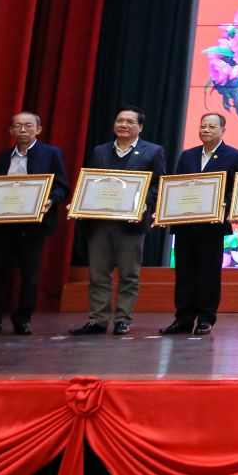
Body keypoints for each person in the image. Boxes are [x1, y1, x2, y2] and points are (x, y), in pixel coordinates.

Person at [0, 112, 70, 338]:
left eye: (28, 125)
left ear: (38, 130)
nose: (23, 130)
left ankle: (23, 320)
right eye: (18, 126)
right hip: (2, 226)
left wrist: (51, 200)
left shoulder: (51, 153)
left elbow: (62, 186)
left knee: (29, 276)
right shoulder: (3, 156)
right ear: (11, 131)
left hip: (33, 226)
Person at [69, 106, 166, 337]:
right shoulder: (100, 151)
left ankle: (123, 319)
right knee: (98, 274)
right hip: (100, 222)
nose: (123, 125)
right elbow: (91, 181)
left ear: (140, 127)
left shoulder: (153, 151)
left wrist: (145, 202)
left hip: (131, 223)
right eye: (120, 120)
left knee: (129, 275)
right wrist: (79, 201)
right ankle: (98, 319)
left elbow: (158, 184)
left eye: (130, 122)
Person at [161, 113, 238, 336]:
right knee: (184, 272)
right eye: (203, 126)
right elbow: (177, 186)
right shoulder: (187, 155)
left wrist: (224, 205)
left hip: (212, 225)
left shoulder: (234, 155)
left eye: (211, 126)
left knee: (209, 272)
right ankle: (183, 318)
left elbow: (236, 188)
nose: (206, 130)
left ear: (222, 130)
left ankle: (206, 318)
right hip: (186, 223)